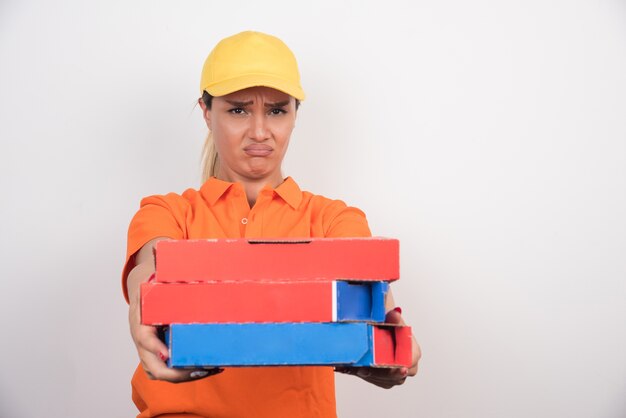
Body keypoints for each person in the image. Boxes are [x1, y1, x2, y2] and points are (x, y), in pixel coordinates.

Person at [122, 30, 421, 418]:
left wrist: (390, 346)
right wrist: (140, 308)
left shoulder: (333, 220)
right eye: (238, 110)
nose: (260, 132)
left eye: (277, 110)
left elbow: (374, 298)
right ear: (206, 112)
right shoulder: (168, 211)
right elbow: (150, 266)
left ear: (296, 115)